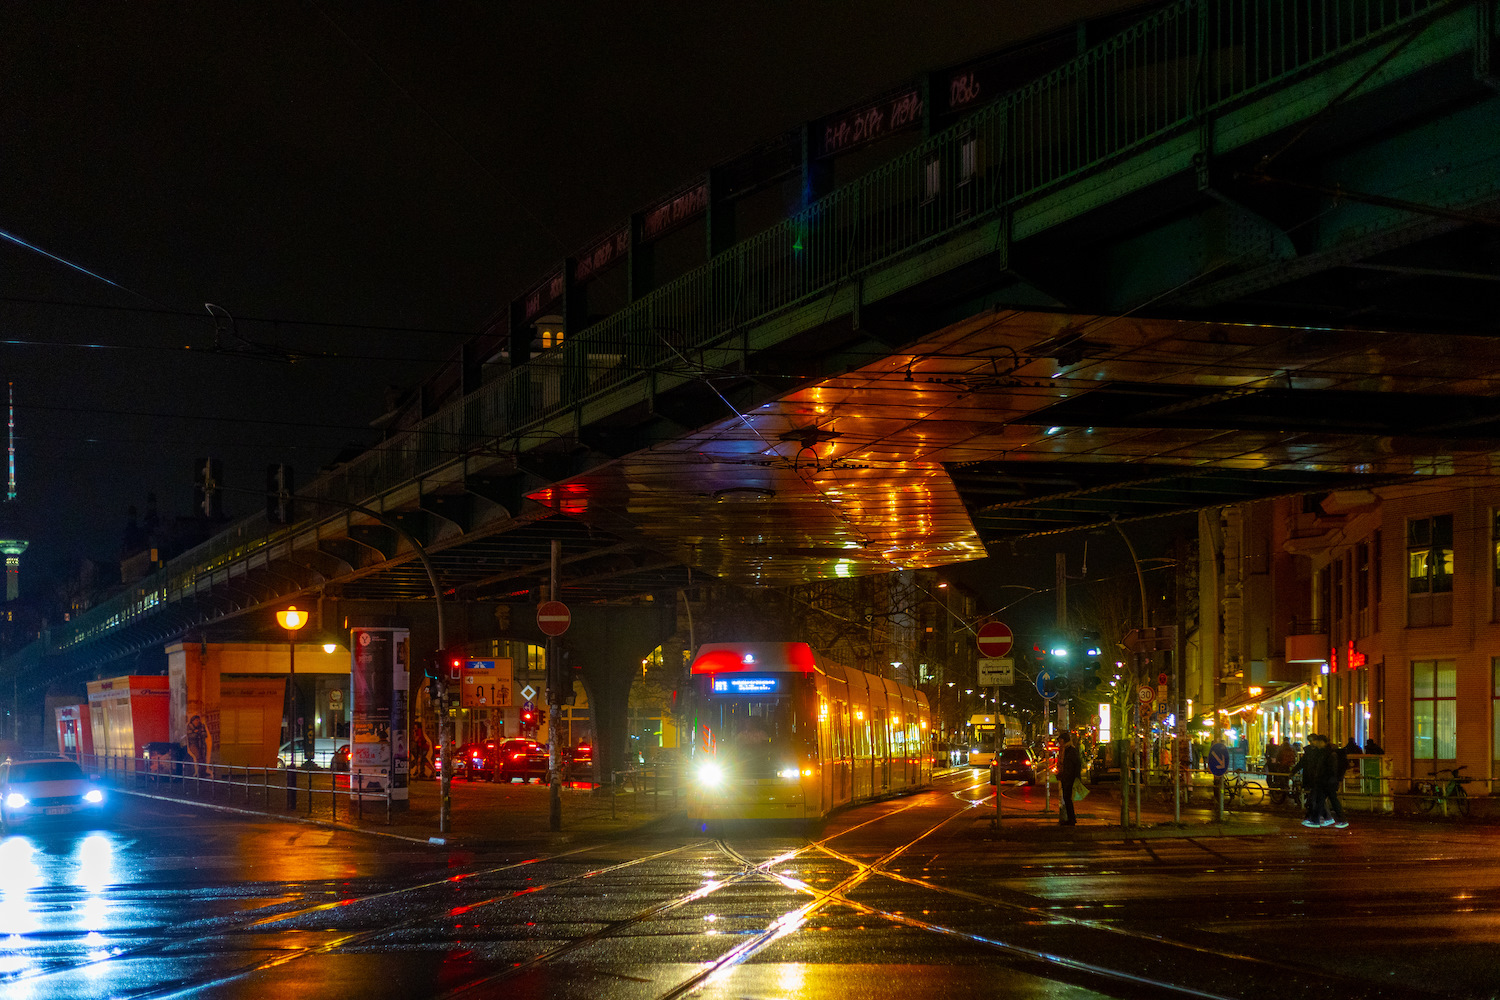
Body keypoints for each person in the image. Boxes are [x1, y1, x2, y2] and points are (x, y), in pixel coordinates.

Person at [1057, 731, 1082, 826]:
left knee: (1067, 798)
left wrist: (1076, 777)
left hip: (1069, 777)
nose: (1060, 743)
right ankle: (1071, 818)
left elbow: (1076, 764)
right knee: (1066, 798)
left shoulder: (1070, 750)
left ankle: (1071, 819)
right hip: (1065, 777)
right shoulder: (1064, 750)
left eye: (1061, 741)